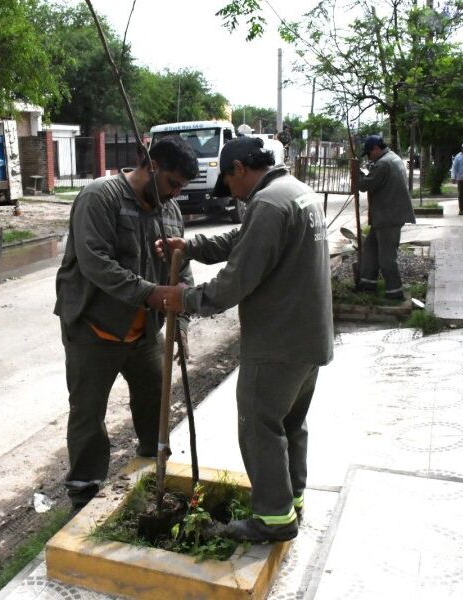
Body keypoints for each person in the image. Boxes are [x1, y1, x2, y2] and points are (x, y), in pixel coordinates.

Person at [154, 136, 334, 543]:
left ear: (239, 169)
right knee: (289, 422)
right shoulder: (295, 193)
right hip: (309, 336)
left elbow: (237, 279)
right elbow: (245, 240)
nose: (230, 192)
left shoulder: (268, 204)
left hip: (278, 341)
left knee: (258, 426)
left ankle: (273, 519)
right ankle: (291, 499)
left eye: (228, 181)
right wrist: (192, 245)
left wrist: (185, 299)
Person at [53, 136, 199, 511]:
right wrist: (152, 293)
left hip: (145, 333)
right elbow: (95, 262)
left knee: (155, 404)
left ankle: (151, 469)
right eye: (171, 184)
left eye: (182, 188)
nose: (175, 194)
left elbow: (181, 270)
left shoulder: (169, 212)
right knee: (88, 414)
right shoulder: (100, 197)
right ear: (151, 166)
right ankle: (84, 491)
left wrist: (179, 321)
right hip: (93, 328)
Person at [357, 135, 416, 300]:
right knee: (370, 249)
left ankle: (395, 292)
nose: (369, 157)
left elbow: (364, 185)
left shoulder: (384, 163)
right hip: (386, 215)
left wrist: (357, 173)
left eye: (369, 153)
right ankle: (367, 284)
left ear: (376, 148)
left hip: (388, 216)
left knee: (387, 257)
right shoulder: (392, 158)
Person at [450, 143, 463, 215]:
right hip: (460, 179)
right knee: (461, 195)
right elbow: (454, 168)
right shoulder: (458, 157)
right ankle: (461, 210)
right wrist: (453, 177)